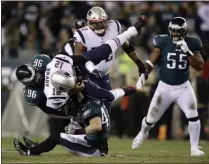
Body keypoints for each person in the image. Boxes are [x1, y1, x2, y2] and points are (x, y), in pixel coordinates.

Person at [132, 17, 205, 157]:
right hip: (164, 87)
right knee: (151, 118)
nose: (175, 34)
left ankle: (194, 148)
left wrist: (188, 51)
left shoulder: (193, 43)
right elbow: (152, 59)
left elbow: (199, 65)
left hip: (183, 87)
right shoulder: (163, 41)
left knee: (192, 114)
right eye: (173, 31)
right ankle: (142, 133)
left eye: (178, 32)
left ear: (184, 32)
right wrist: (144, 73)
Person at [73, 6, 148, 111]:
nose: (98, 25)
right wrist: (80, 78)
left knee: (107, 106)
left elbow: (126, 45)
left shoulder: (114, 26)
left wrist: (140, 64)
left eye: (100, 22)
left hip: (104, 75)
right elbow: (77, 60)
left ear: (106, 20)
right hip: (88, 76)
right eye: (94, 23)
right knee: (91, 110)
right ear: (89, 23)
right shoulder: (83, 34)